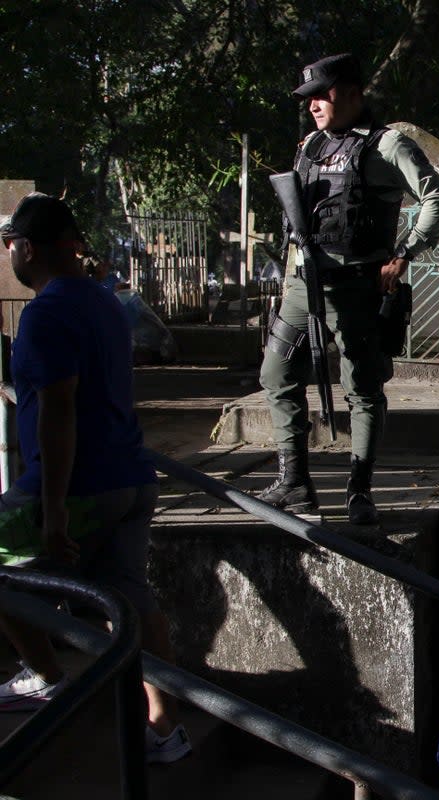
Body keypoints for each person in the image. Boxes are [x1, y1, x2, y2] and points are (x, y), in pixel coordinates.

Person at [0, 193, 190, 763]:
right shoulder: (105, 301)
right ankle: (165, 729)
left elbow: (59, 409)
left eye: (10, 245)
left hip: (77, 487)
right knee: (131, 597)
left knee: (7, 573)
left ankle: (46, 673)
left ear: (26, 249)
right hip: (130, 476)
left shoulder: (46, 312)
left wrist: (54, 506)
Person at [258, 52, 439, 524]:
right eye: (306, 100)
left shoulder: (387, 145)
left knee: (363, 388)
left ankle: (359, 490)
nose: (312, 106)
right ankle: (295, 482)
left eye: (320, 96)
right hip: (303, 284)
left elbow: (437, 197)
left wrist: (403, 253)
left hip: (358, 285)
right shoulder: (309, 146)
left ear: (351, 92)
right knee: (276, 376)